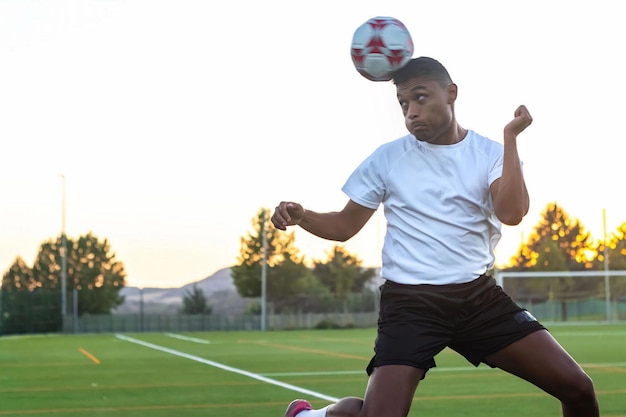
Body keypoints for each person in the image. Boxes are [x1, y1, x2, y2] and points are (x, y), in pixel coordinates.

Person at [271, 56, 599, 417]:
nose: (411, 111)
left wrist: (510, 138)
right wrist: (303, 217)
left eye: (421, 98)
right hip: (411, 305)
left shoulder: (491, 153)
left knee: (579, 389)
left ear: (451, 93)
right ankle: (313, 416)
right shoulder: (388, 158)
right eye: (403, 104)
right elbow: (344, 227)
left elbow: (511, 213)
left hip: (477, 299)